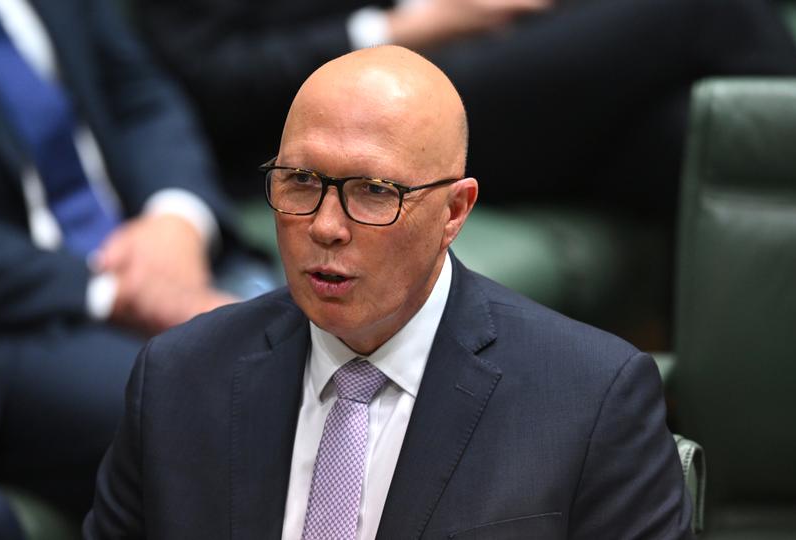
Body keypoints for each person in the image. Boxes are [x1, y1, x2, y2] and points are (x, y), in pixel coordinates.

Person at [84, 46, 692, 539]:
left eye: (374, 191)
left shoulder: (590, 399)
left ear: (455, 211)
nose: (325, 225)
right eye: (300, 181)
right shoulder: (179, 378)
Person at [0, 0, 275, 520]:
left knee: (369, 347)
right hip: (27, 316)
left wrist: (177, 218)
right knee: (231, 405)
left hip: (158, 243)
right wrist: (122, 292)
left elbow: (139, 94)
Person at [135, 0, 796, 211]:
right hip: (364, 108)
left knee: (689, 138)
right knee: (703, 8)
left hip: (470, 55)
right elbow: (209, 82)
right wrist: (412, 23)